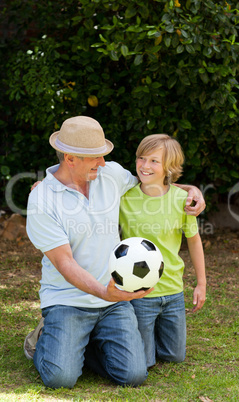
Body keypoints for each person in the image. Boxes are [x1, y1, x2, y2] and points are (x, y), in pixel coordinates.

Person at [24, 116, 205, 389]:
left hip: (113, 300)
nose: (103, 162)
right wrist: (103, 292)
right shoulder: (42, 200)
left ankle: (80, 344)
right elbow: (65, 264)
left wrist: (192, 191)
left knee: (133, 376)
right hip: (68, 300)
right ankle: (45, 340)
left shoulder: (109, 174)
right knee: (60, 378)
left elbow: (154, 183)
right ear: (70, 158)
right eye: (95, 157)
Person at [119, 134, 206, 368]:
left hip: (173, 292)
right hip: (140, 293)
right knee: (145, 362)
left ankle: (153, 333)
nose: (145, 166)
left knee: (174, 356)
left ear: (169, 167)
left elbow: (194, 241)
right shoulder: (124, 198)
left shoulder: (182, 200)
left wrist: (201, 283)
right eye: (141, 158)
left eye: (154, 161)